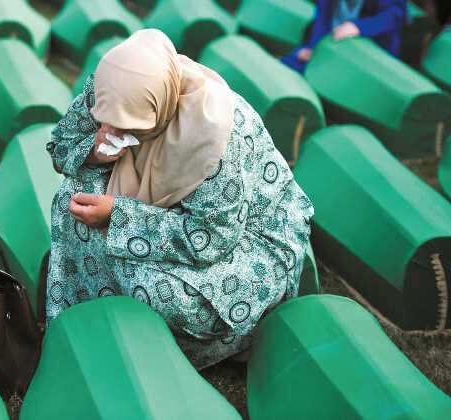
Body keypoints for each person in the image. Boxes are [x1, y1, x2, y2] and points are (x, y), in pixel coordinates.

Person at [45, 29, 314, 369]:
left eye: (129, 126)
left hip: (246, 237)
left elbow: (212, 238)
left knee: (164, 293)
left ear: (161, 108)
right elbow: (60, 146)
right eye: (107, 121)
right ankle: (81, 324)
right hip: (160, 213)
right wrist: (95, 152)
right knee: (72, 200)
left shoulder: (218, 136)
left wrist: (119, 217)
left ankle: (220, 340)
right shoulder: (112, 87)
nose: (115, 132)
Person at [282, 0, 408, 73]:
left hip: (371, 60)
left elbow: (395, 16)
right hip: (329, 50)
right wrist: (312, 49)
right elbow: (321, 23)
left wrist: (359, 27)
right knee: (291, 63)